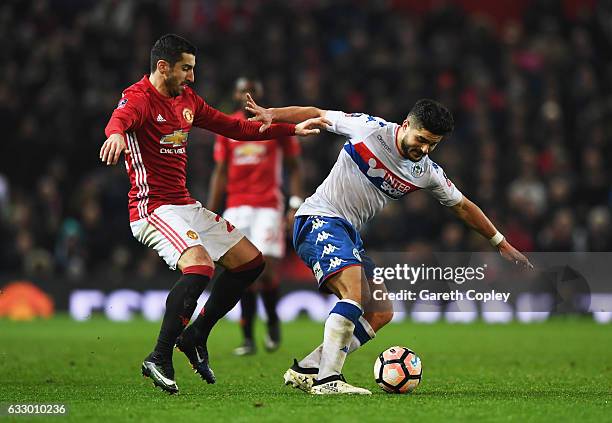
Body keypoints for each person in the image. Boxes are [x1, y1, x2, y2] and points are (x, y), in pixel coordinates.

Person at [246, 95, 533, 395]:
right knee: (354, 295)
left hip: (348, 233)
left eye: (432, 145)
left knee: (381, 311)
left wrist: (500, 242)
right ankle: (328, 379)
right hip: (320, 218)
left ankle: (307, 368)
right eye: (421, 139)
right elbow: (317, 112)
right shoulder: (369, 129)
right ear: (406, 124)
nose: (424, 149)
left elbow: (462, 206)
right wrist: (273, 113)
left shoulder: (427, 172)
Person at [99, 34, 327, 394]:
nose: (191, 77)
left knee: (251, 263)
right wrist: (114, 136)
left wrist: (290, 129)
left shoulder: (187, 99)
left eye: (193, 69)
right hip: (151, 208)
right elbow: (120, 119)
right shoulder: (139, 98)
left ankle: (195, 337)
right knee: (201, 265)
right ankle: (159, 356)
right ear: (164, 67)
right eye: (186, 69)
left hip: (184, 205)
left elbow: (235, 127)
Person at [208, 77, 304, 355]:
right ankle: (248, 337)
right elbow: (220, 171)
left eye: (253, 91)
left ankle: (272, 320)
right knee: (240, 270)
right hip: (237, 206)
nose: (247, 95)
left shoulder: (273, 125)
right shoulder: (226, 128)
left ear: (260, 95)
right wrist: (210, 211)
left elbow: (295, 167)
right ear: (236, 95)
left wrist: (295, 203)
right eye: (241, 91)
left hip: (268, 206)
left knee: (267, 267)